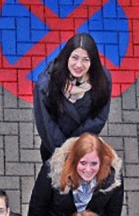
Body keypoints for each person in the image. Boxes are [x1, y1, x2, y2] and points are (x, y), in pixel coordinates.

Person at [28, 133, 124, 216]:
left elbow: (113, 213)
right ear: (74, 161)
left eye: (94, 164)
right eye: (83, 163)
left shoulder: (112, 178)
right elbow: (37, 207)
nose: (88, 170)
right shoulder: (52, 172)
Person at [33, 33, 112, 162]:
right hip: (55, 148)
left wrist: (77, 146)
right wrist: (64, 151)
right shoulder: (46, 85)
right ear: (66, 57)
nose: (79, 65)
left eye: (85, 59)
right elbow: (45, 123)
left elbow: (99, 117)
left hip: (83, 148)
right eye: (75, 57)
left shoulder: (103, 80)